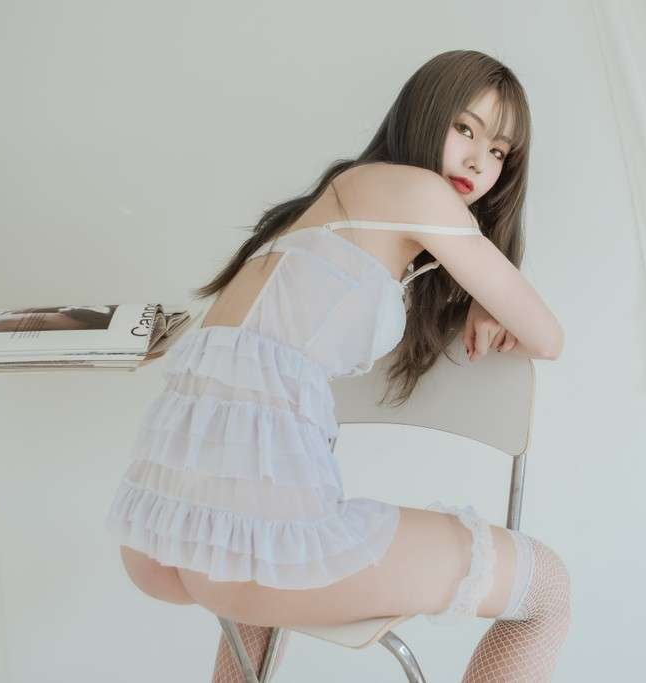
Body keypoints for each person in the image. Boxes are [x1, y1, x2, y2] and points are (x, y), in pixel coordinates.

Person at [105, 49, 570, 682]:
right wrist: (494, 298)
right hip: (253, 546)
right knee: (548, 587)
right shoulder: (418, 192)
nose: (478, 163)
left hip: (172, 532)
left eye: (498, 152)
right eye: (465, 129)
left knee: (264, 568)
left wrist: (480, 295)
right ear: (423, 113)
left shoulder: (339, 197)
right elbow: (547, 337)